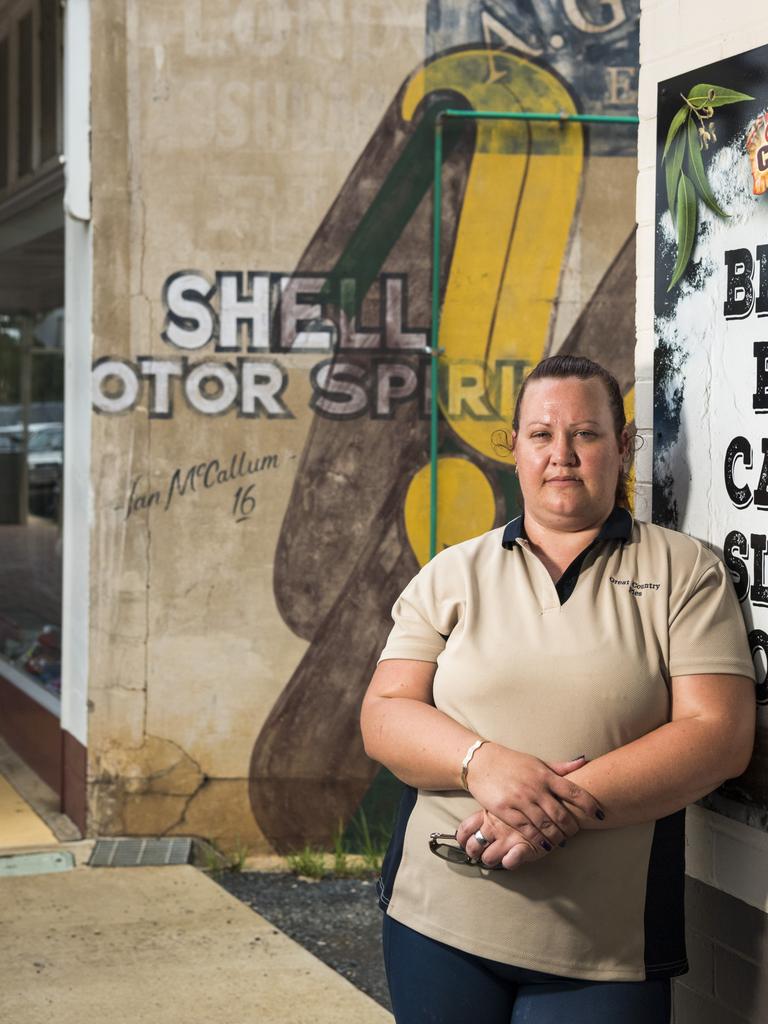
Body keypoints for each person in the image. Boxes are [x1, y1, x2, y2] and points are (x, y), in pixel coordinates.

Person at [359, 354, 756, 1024]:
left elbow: (717, 735)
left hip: (605, 946)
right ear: (514, 448)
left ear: (623, 445)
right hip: (439, 919)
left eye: (587, 434)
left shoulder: (686, 572)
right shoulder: (452, 575)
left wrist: (552, 806)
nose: (562, 455)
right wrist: (485, 765)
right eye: (541, 435)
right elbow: (386, 713)